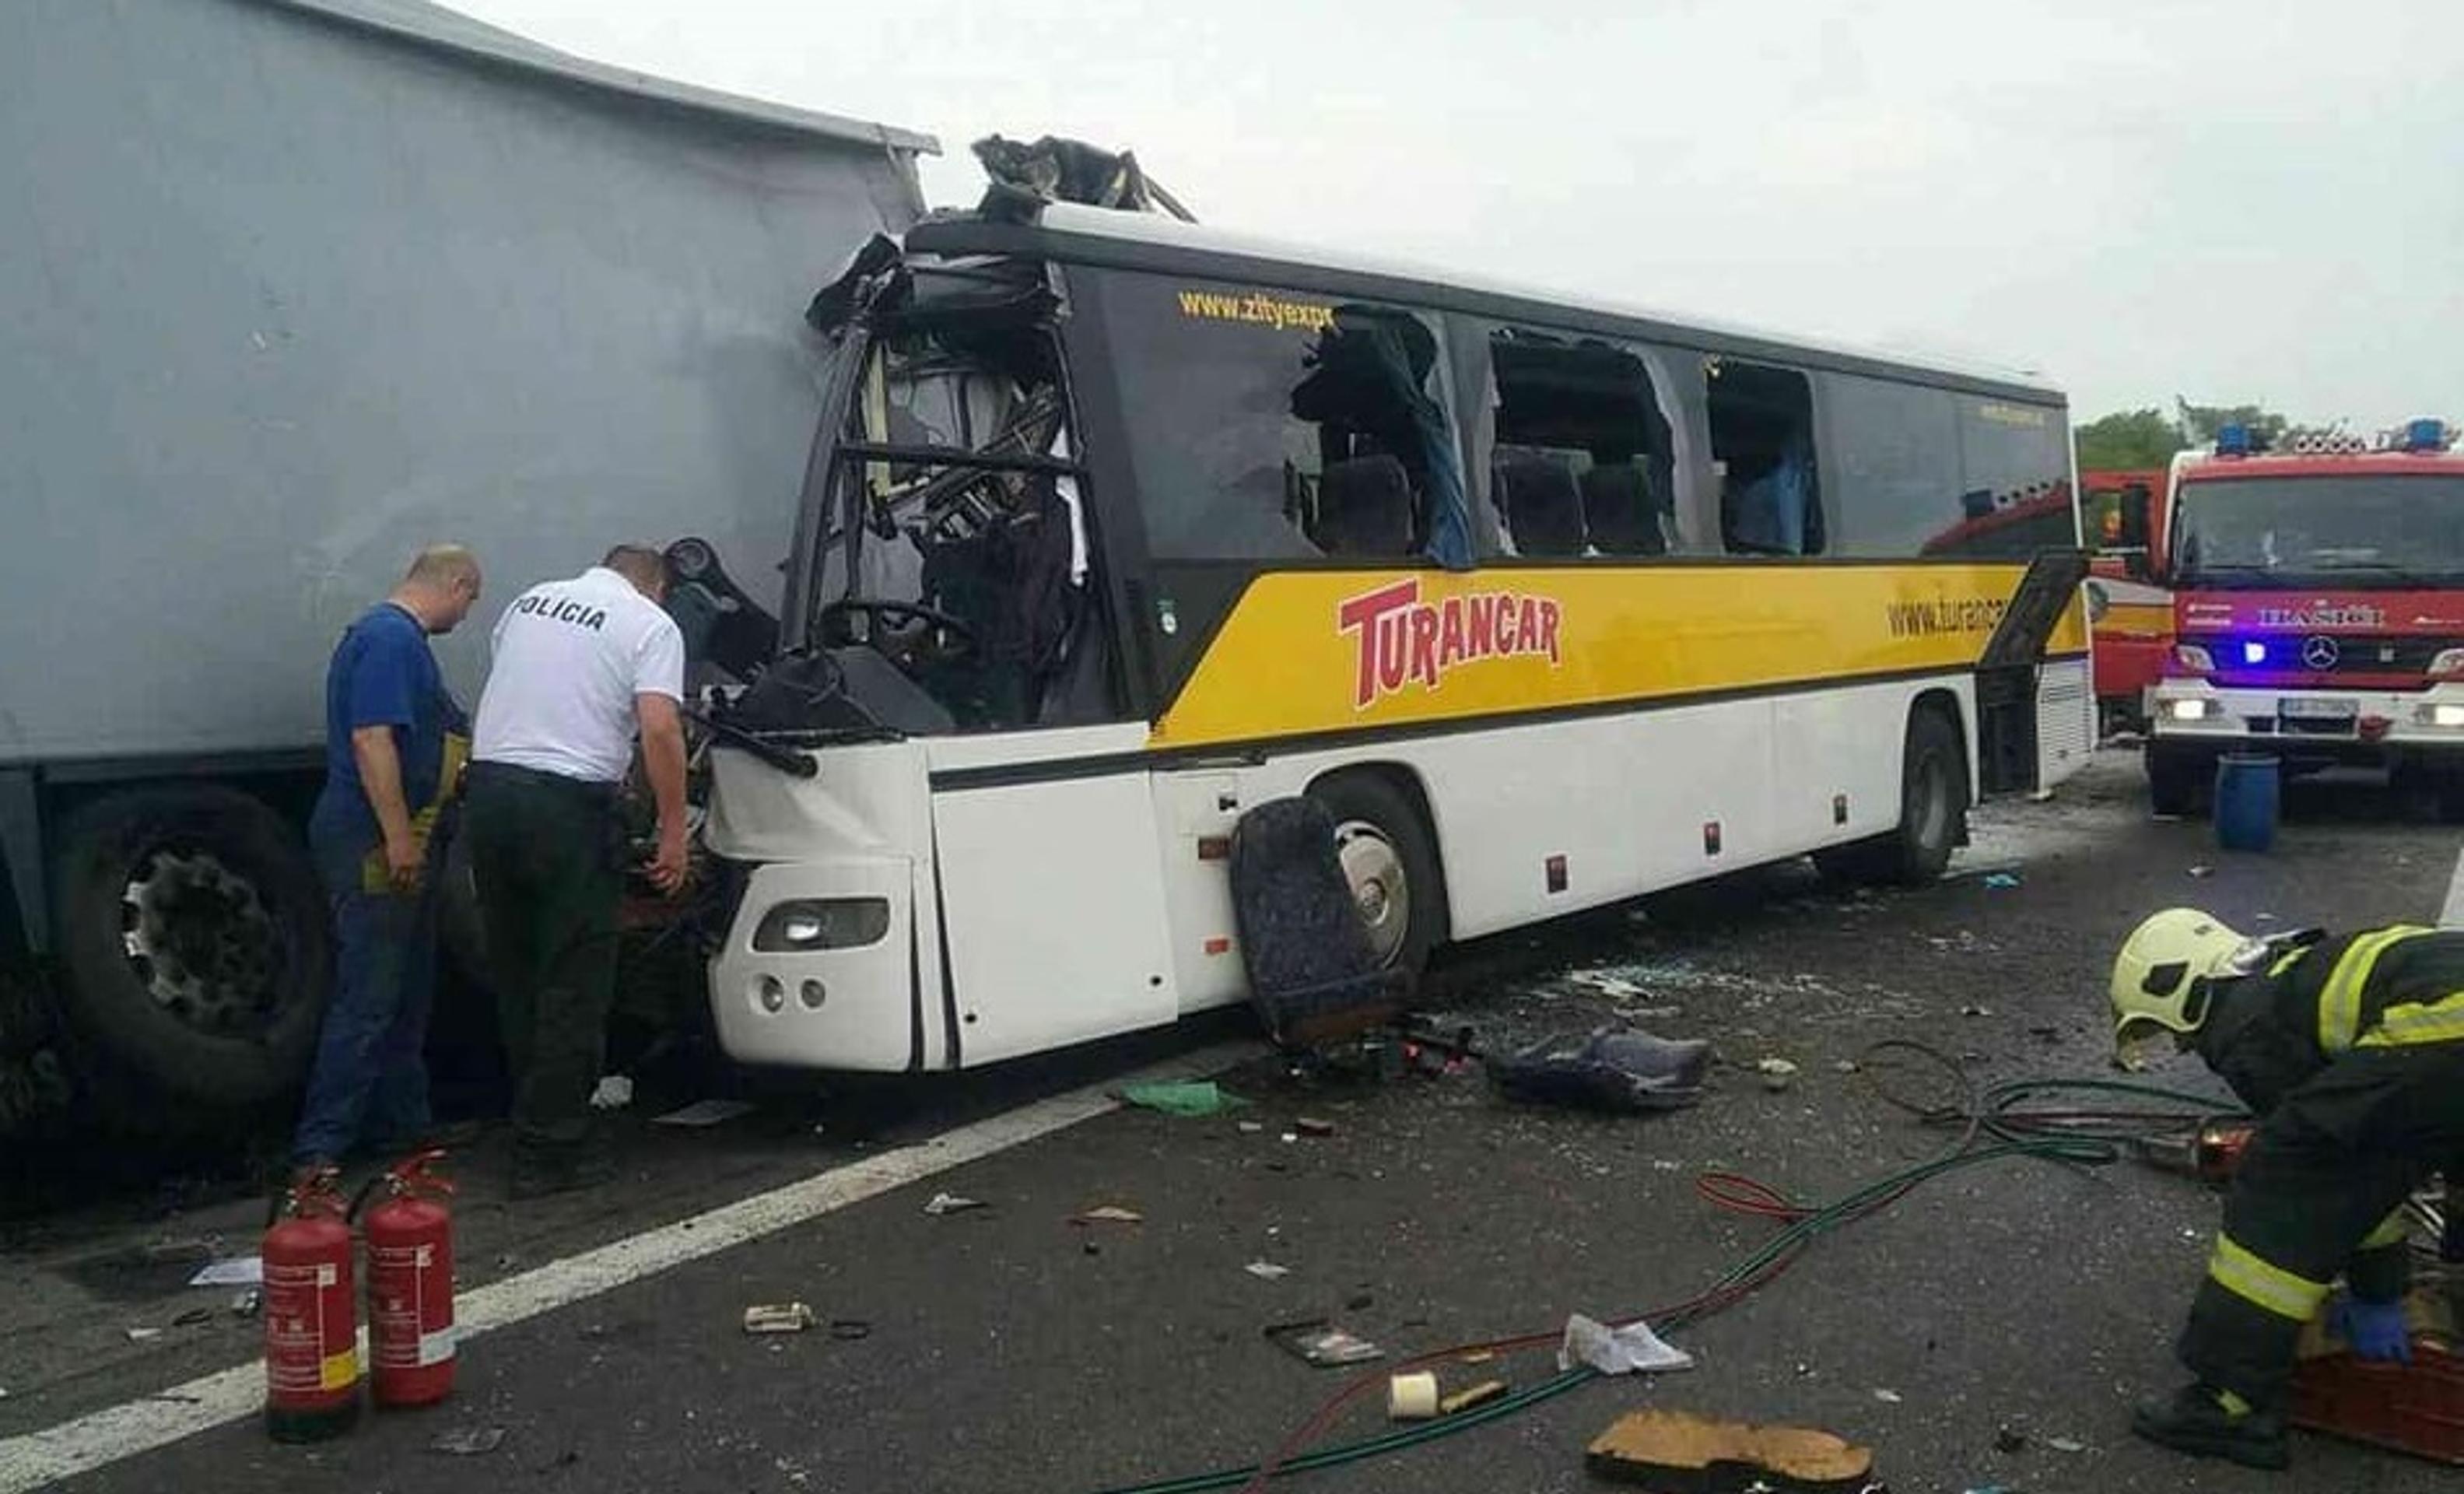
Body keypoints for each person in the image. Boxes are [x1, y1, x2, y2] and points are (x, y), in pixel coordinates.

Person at [2109, 908, 2464, 1470]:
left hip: (2448, 1025)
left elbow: (2341, 1174)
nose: (2184, 1049)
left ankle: (2232, 1403)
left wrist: (2378, 1292)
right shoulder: (2294, 975)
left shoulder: (2247, 1022)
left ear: (2183, 990)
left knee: (2283, 1172)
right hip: (2447, 1023)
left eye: (2172, 1034)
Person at [466, 545, 689, 1199]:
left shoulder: (529, 600)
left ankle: (527, 1119)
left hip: (489, 793)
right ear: (656, 586)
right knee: (574, 977)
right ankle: (552, 1150)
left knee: (519, 969)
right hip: (565, 808)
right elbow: (660, 729)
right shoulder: (649, 624)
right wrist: (673, 831)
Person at [291, 545, 483, 1178]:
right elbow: (373, 739)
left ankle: (403, 1129)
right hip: (375, 840)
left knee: (404, 991)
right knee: (369, 994)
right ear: (454, 584)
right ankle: (320, 1148)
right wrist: (399, 837)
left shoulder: (395, 643)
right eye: (469, 599)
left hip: (407, 836)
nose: (466, 613)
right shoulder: (388, 641)